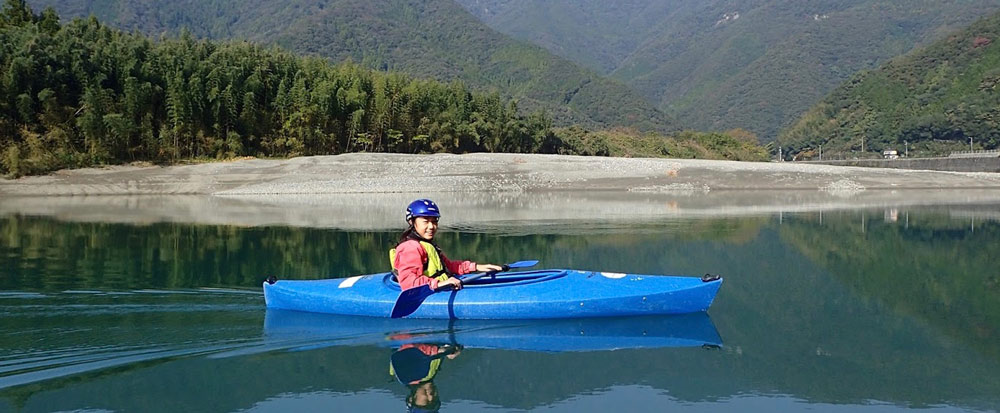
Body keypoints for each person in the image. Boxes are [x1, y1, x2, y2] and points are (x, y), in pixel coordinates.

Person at [389, 199, 502, 291]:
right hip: (431, 289)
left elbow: (449, 266)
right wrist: (440, 283)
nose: (431, 226)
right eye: (426, 221)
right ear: (412, 222)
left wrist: (477, 267)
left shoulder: (427, 244)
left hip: (440, 285)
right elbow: (409, 284)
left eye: (434, 221)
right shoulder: (410, 248)